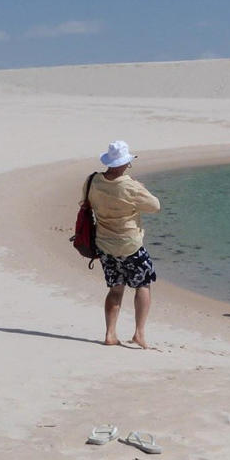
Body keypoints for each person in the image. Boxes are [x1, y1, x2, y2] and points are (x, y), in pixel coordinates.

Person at [84, 140, 161, 348]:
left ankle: (110, 334)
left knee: (115, 289)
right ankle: (139, 333)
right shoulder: (130, 186)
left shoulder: (93, 181)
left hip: (104, 244)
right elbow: (155, 206)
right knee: (143, 285)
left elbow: (86, 203)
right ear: (125, 163)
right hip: (130, 244)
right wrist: (140, 189)